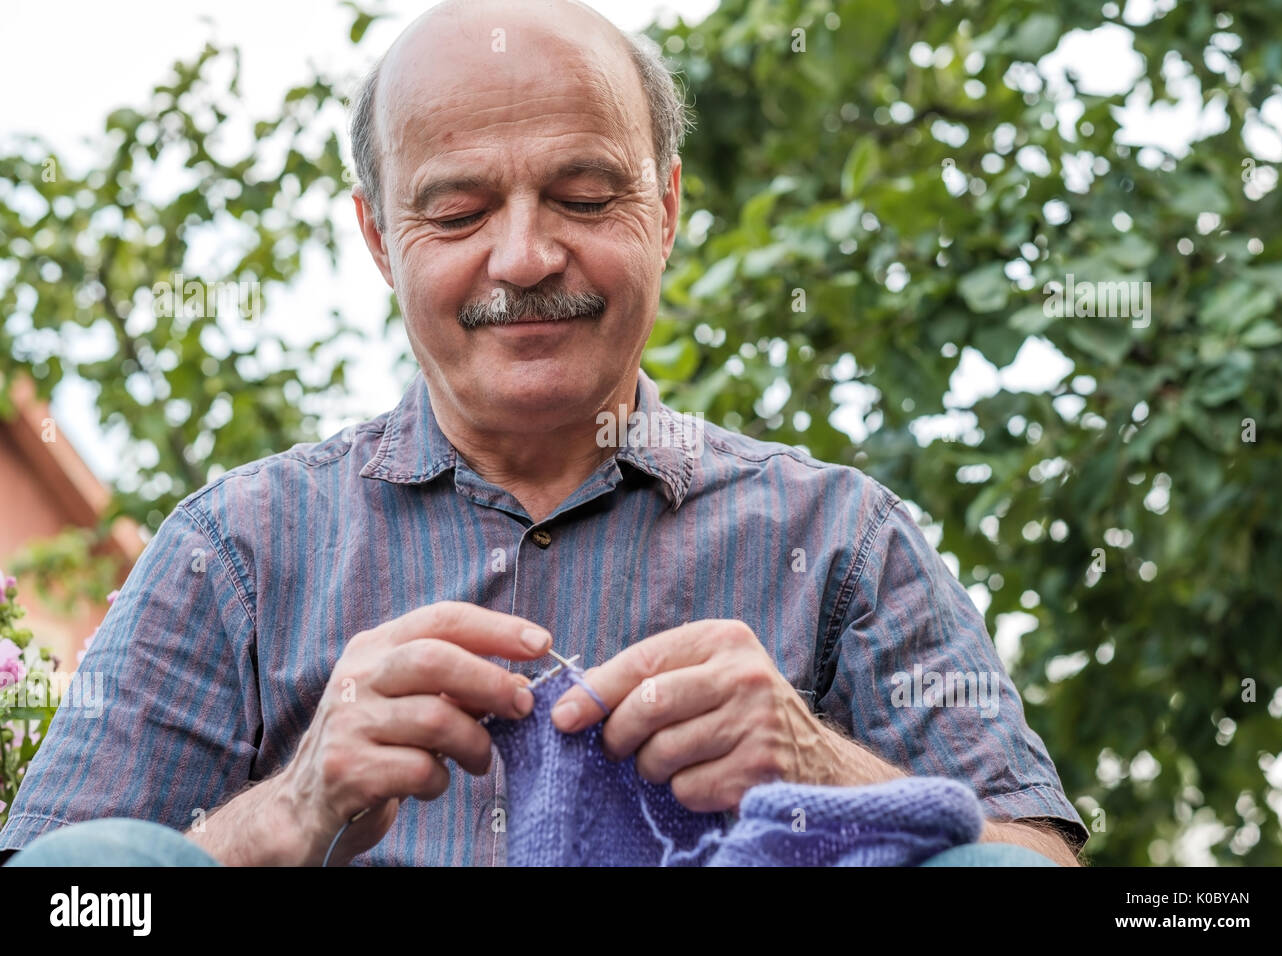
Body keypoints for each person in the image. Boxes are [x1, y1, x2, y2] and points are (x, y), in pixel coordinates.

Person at [2, 0, 1086, 867]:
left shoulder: (844, 536)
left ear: (663, 210)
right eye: (461, 211)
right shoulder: (232, 549)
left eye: (580, 194)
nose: (523, 257)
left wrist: (825, 768)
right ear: (379, 237)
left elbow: (1031, 863)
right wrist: (285, 813)